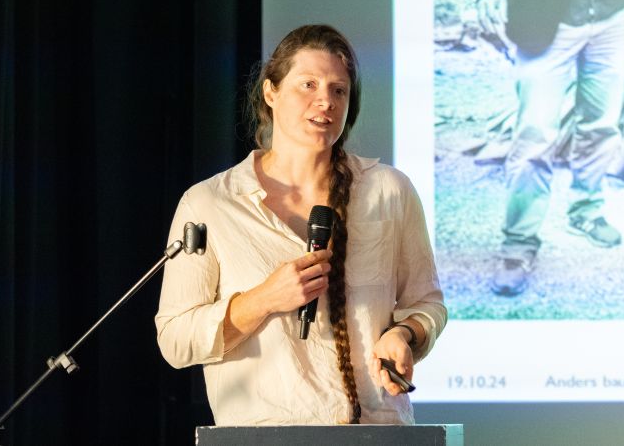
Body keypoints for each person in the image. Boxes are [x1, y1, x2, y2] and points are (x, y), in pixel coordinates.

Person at [155, 25, 446, 425]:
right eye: (308, 84)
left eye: (339, 90)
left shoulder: (389, 191)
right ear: (270, 92)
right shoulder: (210, 203)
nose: (325, 100)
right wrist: (263, 299)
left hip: (377, 432)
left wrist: (404, 333)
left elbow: (428, 304)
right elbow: (175, 339)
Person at [477, 0, 624, 296]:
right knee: (534, 136)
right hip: (546, 17)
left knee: (601, 126)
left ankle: (586, 209)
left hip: (614, 16)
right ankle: (518, 243)